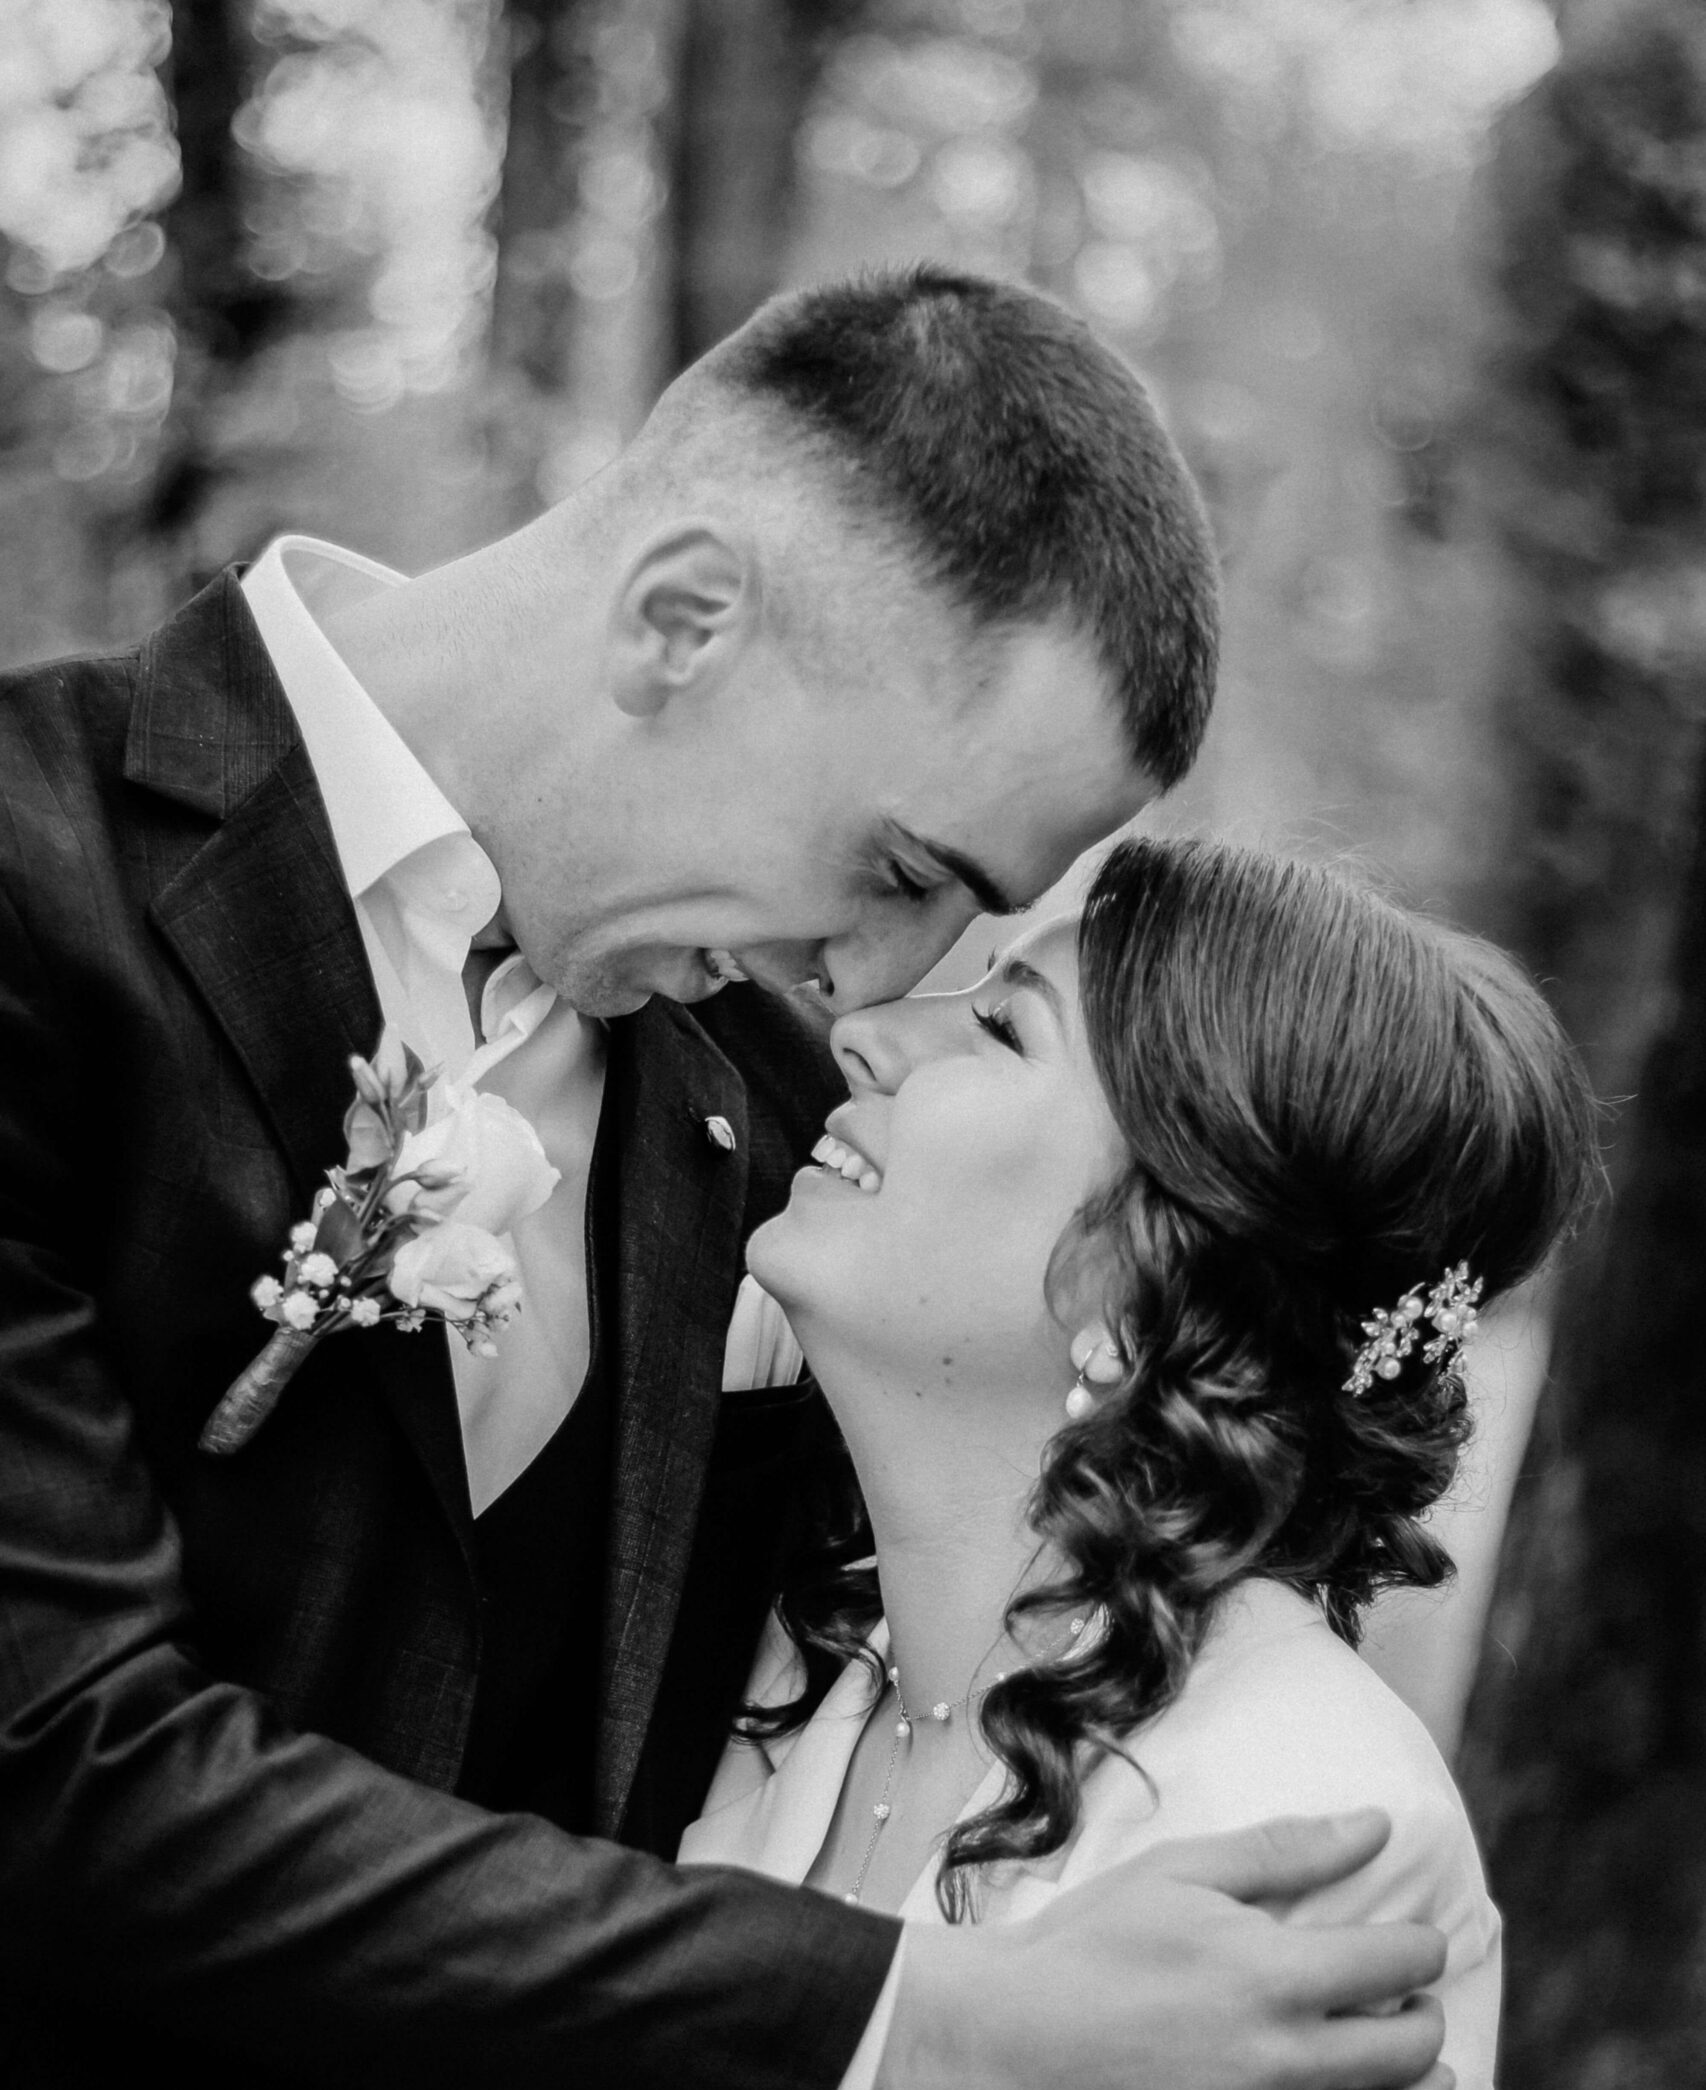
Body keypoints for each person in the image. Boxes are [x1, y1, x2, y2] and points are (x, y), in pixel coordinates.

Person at [0, 267, 1447, 2090]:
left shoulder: (761, 1108)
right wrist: (915, 2010)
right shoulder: (32, 889)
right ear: (682, 622)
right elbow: (48, 1759)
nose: (869, 980)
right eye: (904, 865)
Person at [684, 836, 1599, 2090]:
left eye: (1004, 1029)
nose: (869, 1034)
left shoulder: (1303, 1816)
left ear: (1156, 1268)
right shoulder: (801, 1643)